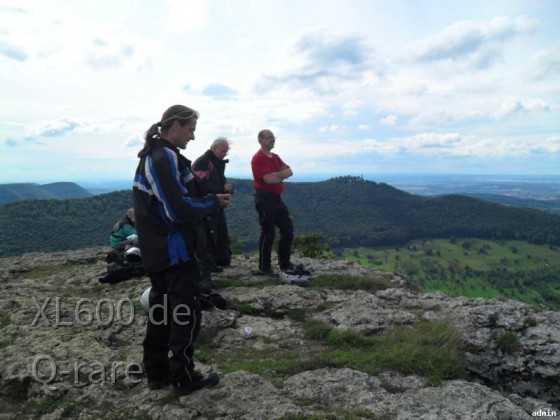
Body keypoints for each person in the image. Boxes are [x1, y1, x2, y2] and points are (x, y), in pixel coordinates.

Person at [132, 104, 231, 396]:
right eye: (190, 130)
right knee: (186, 313)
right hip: (174, 251)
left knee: (161, 311)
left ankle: (158, 373)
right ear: (174, 125)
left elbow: (187, 194)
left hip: (158, 252)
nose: (192, 136)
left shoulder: (164, 155)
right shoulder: (162, 158)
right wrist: (214, 203)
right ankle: (184, 377)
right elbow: (178, 209)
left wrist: (211, 196)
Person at [251, 129, 295, 275]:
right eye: (269, 138)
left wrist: (276, 175)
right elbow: (269, 180)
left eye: (273, 137)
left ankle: (285, 263)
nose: (273, 140)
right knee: (268, 232)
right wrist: (279, 175)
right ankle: (265, 268)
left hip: (276, 197)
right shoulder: (257, 158)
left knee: (287, 229)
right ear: (260, 139)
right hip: (264, 198)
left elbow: (290, 172)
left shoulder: (275, 157)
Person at [192, 137, 234, 268]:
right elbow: (200, 186)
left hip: (216, 207)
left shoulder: (216, 163)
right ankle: (209, 265)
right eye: (223, 150)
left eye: (226, 152)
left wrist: (229, 189)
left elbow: (221, 182)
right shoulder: (203, 162)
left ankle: (219, 261)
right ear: (214, 148)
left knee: (221, 237)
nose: (224, 154)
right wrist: (223, 189)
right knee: (209, 238)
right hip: (205, 208)